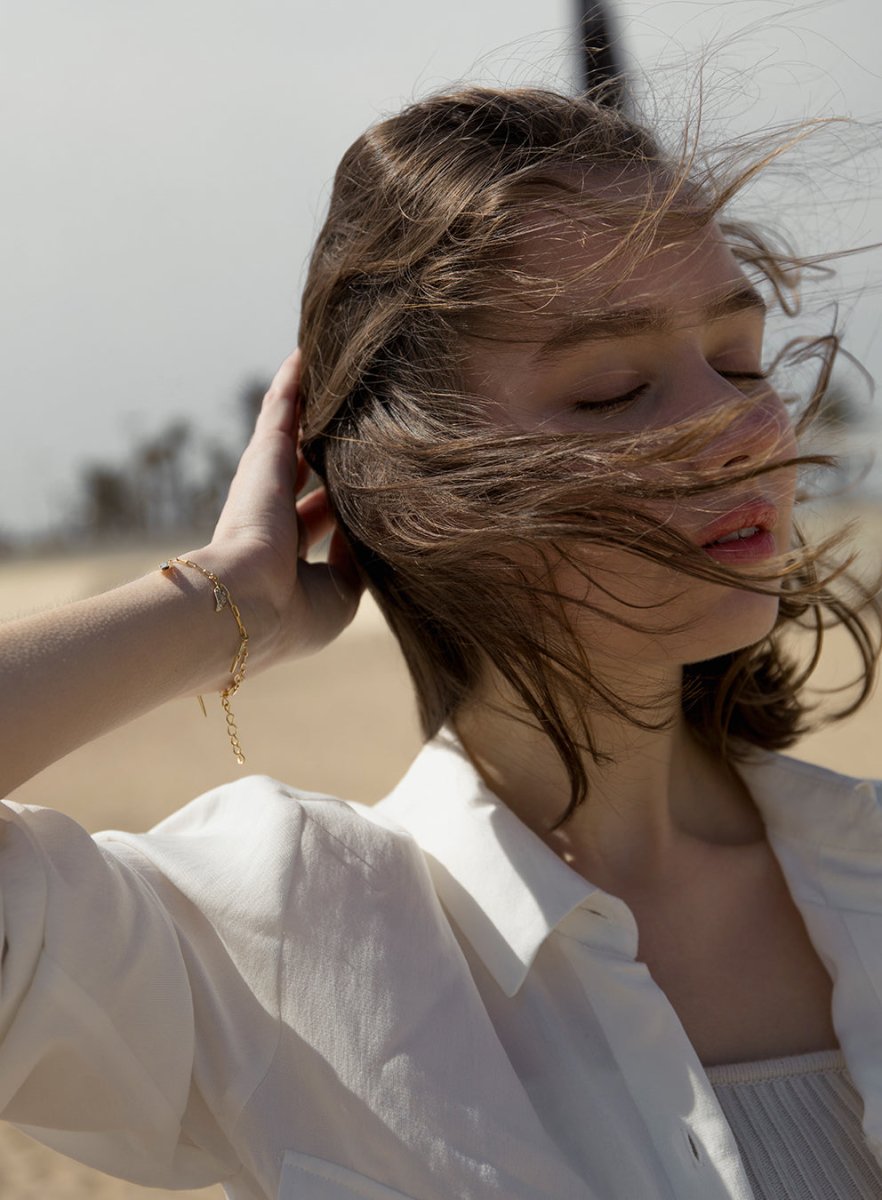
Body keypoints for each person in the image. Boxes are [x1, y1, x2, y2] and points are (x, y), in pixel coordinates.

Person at [1, 84, 880, 1200]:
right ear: (420, 487)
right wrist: (223, 601)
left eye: (743, 358)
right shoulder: (282, 948)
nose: (747, 428)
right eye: (615, 391)